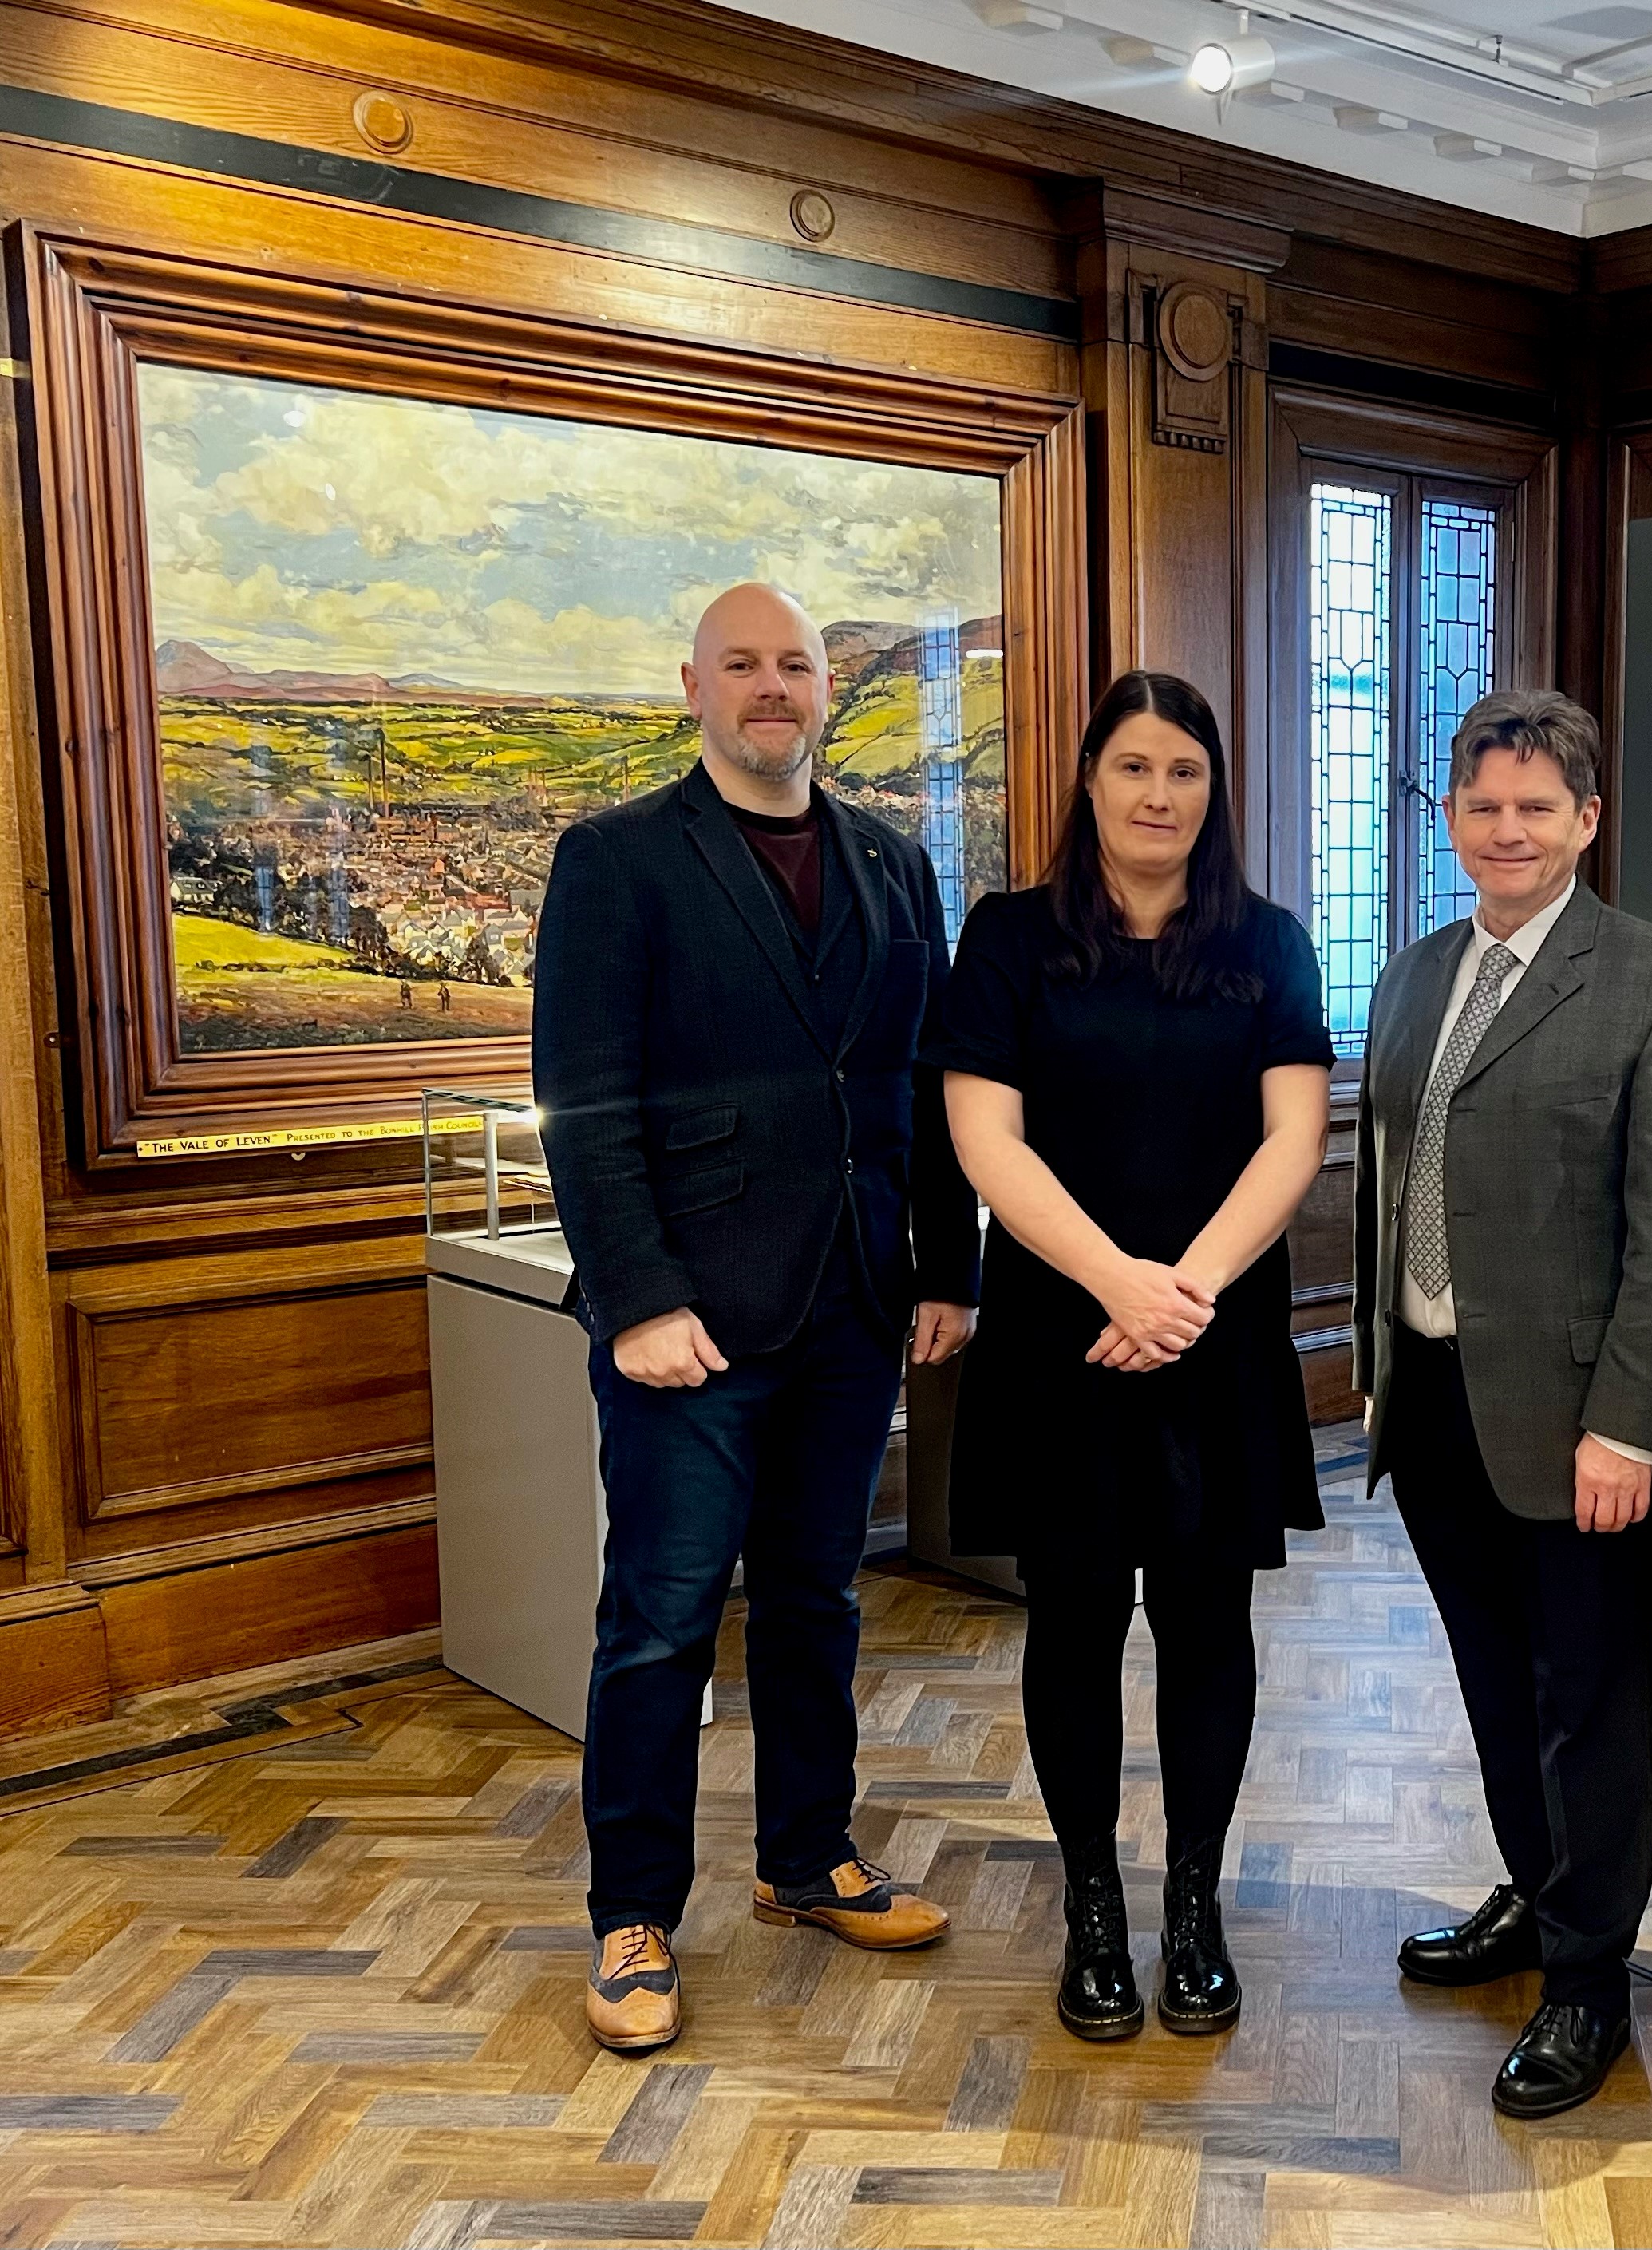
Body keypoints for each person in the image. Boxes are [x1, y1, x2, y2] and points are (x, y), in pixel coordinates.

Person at [533, 582, 979, 2056]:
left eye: (794, 663)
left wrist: (943, 1265)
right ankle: (632, 1912)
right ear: (695, 687)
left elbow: (915, 1085)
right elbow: (584, 1103)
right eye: (745, 664)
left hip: (852, 1303)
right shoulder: (614, 861)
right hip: (692, 1324)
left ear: (823, 692)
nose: (773, 685)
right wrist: (637, 1299)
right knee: (659, 1621)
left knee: (816, 1601)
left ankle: (807, 1858)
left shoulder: (892, 861)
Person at [927, 670, 1331, 2043]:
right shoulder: (1008, 934)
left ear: (1213, 792)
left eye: (1185, 771)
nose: (1159, 795)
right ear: (1089, 781)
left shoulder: (1269, 940)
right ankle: (1093, 1902)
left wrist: (1187, 1290)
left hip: (1211, 1337)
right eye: (1134, 768)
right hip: (1063, 1335)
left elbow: (1294, 1137)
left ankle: (1195, 1904)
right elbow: (988, 1139)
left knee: (1210, 1621)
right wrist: (1115, 1280)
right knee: (1078, 1616)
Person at [1354, 689, 1652, 2120]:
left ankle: (1588, 1982)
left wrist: (1628, 1423)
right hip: (1438, 1397)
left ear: (1585, 818)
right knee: (1493, 1682)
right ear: (1451, 817)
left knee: (1587, 1701)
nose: (1506, 828)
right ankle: (1534, 1889)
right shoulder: (1412, 972)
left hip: (1583, 1421)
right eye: (1482, 804)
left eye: (1536, 805)